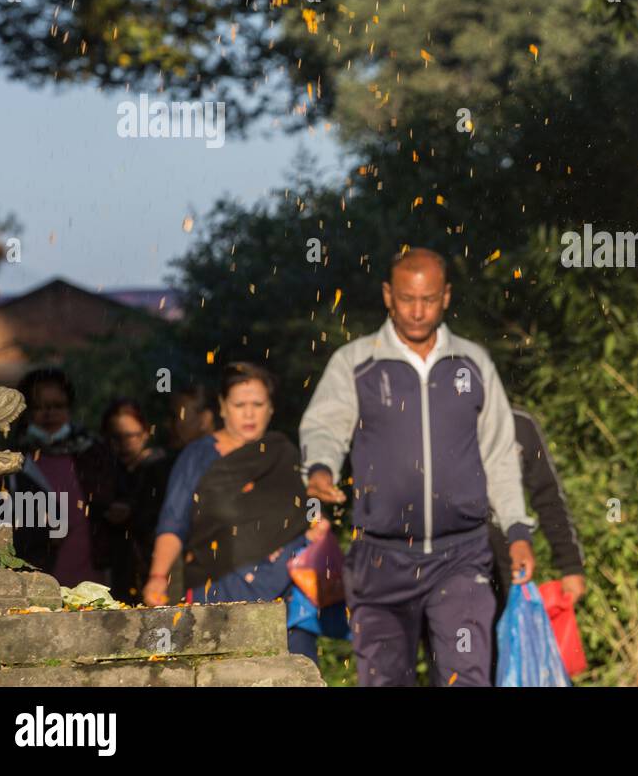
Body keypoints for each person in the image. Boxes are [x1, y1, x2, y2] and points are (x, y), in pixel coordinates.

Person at [299, 246, 536, 686]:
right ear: (389, 294)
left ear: (445, 297)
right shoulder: (356, 364)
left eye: (428, 299)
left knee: (466, 677)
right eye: (407, 298)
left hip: (462, 558)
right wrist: (320, 470)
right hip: (380, 560)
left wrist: (518, 530)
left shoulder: (472, 363)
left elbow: (500, 454)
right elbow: (325, 428)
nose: (417, 310)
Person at [145, 363, 316, 661]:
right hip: (219, 591)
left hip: (286, 594)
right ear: (222, 408)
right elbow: (173, 522)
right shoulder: (199, 456)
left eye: (258, 404)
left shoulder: (282, 453)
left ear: (271, 408)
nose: (249, 414)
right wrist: (158, 576)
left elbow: (300, 518)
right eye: (239, 405)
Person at [488, 408, 585, 672]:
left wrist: (571, 565)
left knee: (515, 661)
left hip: (511, 565)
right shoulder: (431, 422)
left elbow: (548, 498)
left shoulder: (518, 425)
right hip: (449, 569)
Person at [7, 367, 112, 586]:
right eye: (40, 407)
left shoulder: (94, 453)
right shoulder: (11, 459)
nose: (49, 414)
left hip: (92, 575)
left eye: (57, 406)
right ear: (26, 412)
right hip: (37, 576)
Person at [98, 398, 173, 603]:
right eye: (115, 437)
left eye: (130, 436)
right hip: (121, 569)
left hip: (158, 568)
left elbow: (169, 518)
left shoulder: (161, 468)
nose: (123, 444)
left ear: (146, 433)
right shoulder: (108, 471)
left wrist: (132, 512)